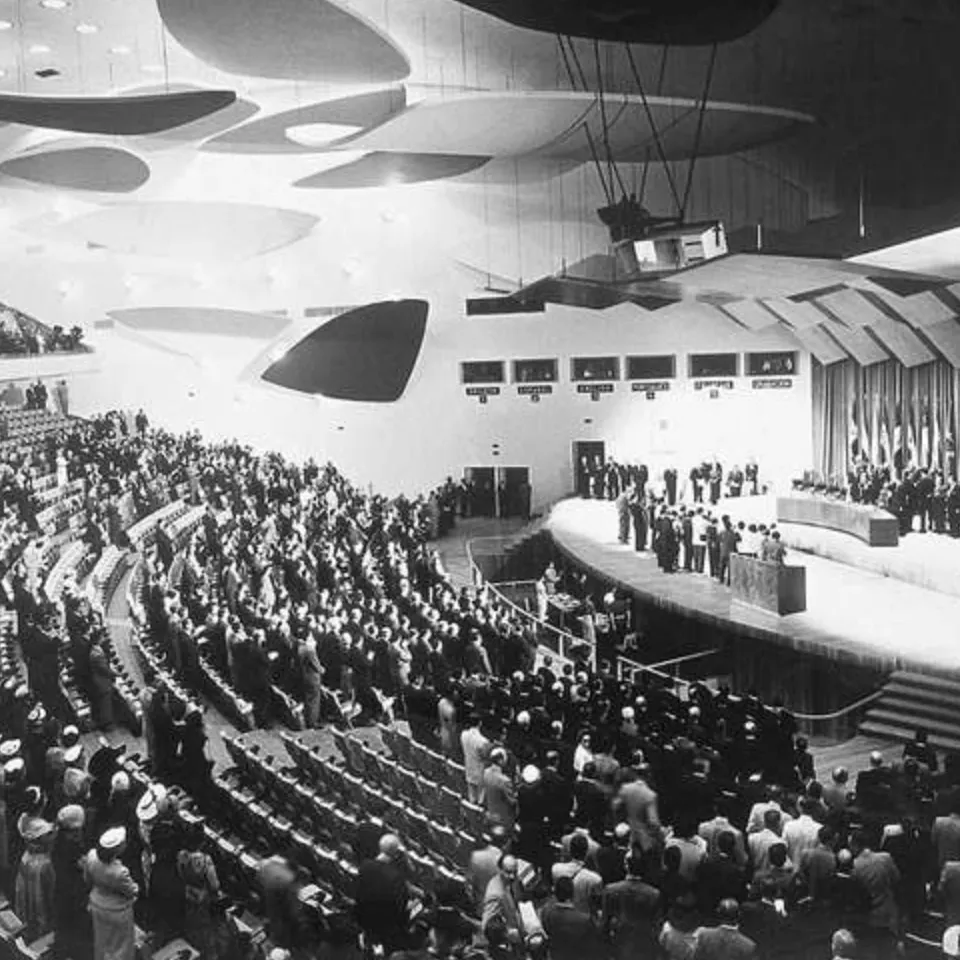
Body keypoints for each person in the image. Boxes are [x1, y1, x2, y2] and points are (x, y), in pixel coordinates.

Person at [85, 827, 139, 960]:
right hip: (118, 911)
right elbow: (131, 891)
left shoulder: (91, 856)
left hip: (97, 904)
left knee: (102, 941)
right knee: (121, 947)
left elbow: (87, 878)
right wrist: (136, 888)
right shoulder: (119, 872)